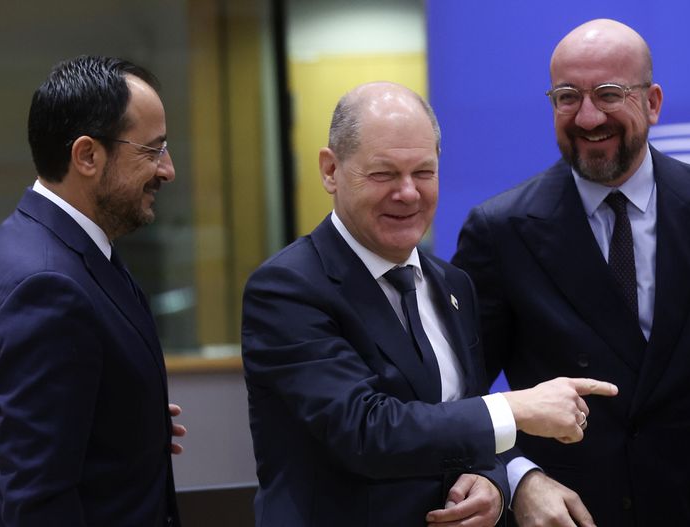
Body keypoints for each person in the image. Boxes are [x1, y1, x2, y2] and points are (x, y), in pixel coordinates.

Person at [452, 19, 690, 526]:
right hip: (570, 514)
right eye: (567, 96)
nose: (587, 117)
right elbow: (457, 392)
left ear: (652, 102)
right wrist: (517, 478)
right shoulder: (500, 230)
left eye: (609, 94)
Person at [241, 81, 618, 527]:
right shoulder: (286, 289)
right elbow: (365, 431)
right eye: (383, 174)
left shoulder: (452, 284)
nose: (407, 193)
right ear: (330, 170)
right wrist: (516, 409)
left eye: (423, 173)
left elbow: (461, 422)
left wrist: (491, 482)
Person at [0, 56, 183, 525]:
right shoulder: (49, 284)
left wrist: (125, 418)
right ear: (87, 155)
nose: (168, 170)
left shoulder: (54, 247)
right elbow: (37, 498)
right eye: (152, 150)